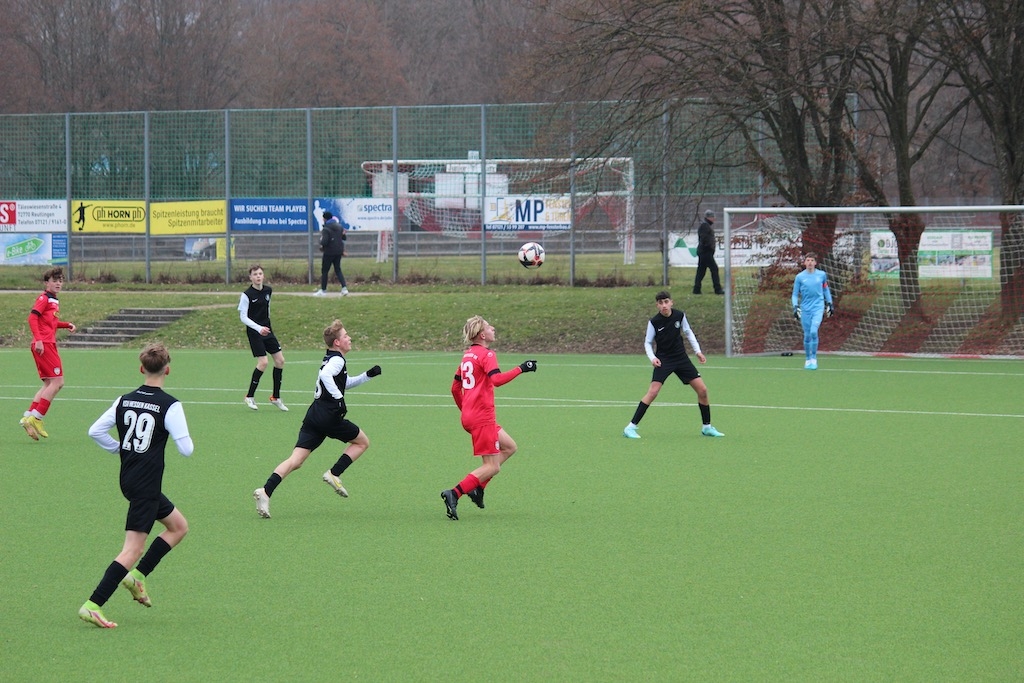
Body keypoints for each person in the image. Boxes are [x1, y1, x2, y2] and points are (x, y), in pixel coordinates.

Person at [79, 342, 194, 628]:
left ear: (142, 369)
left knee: (178, 527)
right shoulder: (170, 405)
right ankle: (93, 605)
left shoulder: (124, 400)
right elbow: (186, 450)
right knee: (132, 550)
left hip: (129, 479)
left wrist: (119, 448)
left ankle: (137, 577)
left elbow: (95, 431)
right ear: (167, 370)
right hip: (146, 485)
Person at [253, 319, 381, 519]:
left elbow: (342, 383)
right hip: (328, 416)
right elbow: (326, 376)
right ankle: (334, 473)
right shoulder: (337, 361)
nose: (349, 338)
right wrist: (338, 399)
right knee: (362, 442)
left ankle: (266, 491)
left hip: (314, 414)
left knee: (296, 461)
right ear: (337, 342)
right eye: (346, 336)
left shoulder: (332, 358)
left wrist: (367, 375)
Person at [441, 316, 537, 521]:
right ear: (482, 335)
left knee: (509, 447)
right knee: (492, 466)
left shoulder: (468, 356)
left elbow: (455, 388)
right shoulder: (487, 354)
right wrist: (522, 368)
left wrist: (466, 409)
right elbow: (497, 380)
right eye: (488, 326)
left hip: (471, 416)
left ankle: (478, 487)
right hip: (482, 417)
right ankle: (455, 493)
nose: (493, 328)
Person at [623, 291, 724, 439]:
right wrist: (652, 358)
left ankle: (707, 427)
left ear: (671, 302)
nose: (664, 305)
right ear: (657, 305)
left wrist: (698, 351)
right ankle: (630, 427)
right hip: (664, 360)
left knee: (702, 390)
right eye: (661, 303)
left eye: (666, 302)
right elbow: (648, 342)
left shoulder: (679, 316)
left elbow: (688, 332)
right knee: (653, 392)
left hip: (681, 358)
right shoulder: (654, 322)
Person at [20, 266, 76, 441]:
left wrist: (66, 324)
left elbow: (50, 322)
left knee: (48, 383)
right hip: (44, 344)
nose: (58, 283)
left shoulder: (53, 300)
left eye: (60, 280)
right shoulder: (44, 298)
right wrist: (38, 339)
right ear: (46, 283)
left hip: (46, 343)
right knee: (58, 382)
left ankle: (28, 417)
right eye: (54, 280)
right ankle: (36, 418)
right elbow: (32, 317)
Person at [238, 263, 287, 411]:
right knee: (263, 362)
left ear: (263, 275)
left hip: (267, 330)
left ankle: (276, 397)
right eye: (255, 274)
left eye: (260, 274)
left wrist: (267, 327)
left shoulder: (268, 291)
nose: (258, 276)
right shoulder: (246, 295)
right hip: (255, 332)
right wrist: (258, 328)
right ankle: (249, 396)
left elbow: (267, 309)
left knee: (280, 360)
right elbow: (243, 317)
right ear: (250, 277)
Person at [791, 252, 834, 370]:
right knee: (807, 335)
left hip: (818, 307)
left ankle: (814, 358)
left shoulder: (821, 275)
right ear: (805, 262)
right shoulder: (800, 277)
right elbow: (795, 294)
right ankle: (808, 359)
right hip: (805, 308)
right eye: (808, 260)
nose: (810, 262)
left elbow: (825, 290)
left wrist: (830, 303)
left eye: (812, 260)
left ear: (815, 263)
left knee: (814, 332)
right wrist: (795, 306)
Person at [314, 212, 348, 296]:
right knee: (338, 270)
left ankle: (323, 290)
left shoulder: (326, 228)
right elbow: (344, 238)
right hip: (338, 252)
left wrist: (320, 242)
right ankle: (344, 288)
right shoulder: (339, 226)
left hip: (329, 252)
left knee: (325, 271)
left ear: (325, 219)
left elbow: (324, 242)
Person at [693, 209, 724, 295]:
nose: (714, 219)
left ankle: (696, 289)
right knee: (714, 269)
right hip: (706, 252)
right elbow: (704, 239)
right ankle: (717, 289)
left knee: (701, 271)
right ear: (709, 217)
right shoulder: (705, 226)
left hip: (703, 252)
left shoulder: (705, 225)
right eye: (713, 217)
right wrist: (709, 247)